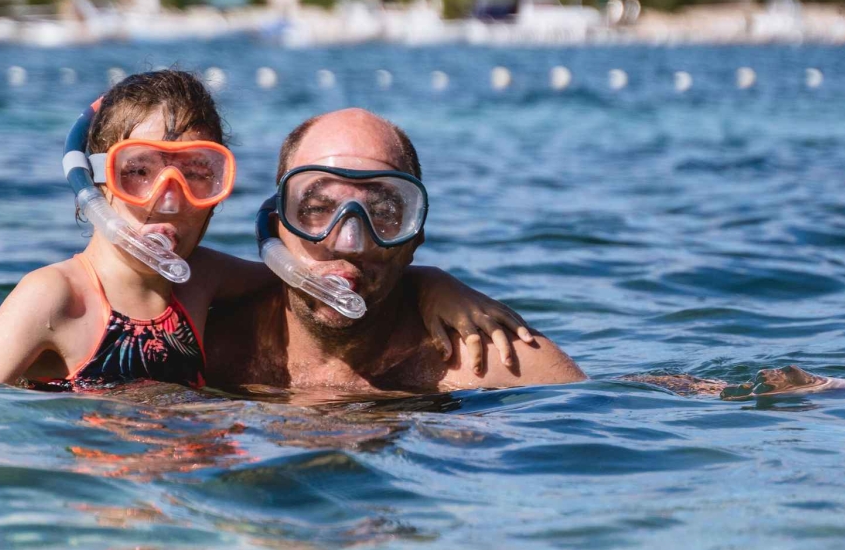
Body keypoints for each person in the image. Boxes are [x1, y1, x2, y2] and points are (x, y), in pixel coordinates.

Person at [0, 73, 534, 390]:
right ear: (99, 183)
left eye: (198, 173)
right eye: (139, 172)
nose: (169, 198)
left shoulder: (201, 282)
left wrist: (430, 282)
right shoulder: (55, 298)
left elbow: (313, 280)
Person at [204, 108, 586, 395]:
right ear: (275, 229)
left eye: (384, 213)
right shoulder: (206, 346)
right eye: (318, 210)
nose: (349, 243)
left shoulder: (493, 366)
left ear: (414, 240)